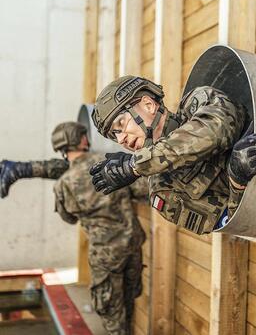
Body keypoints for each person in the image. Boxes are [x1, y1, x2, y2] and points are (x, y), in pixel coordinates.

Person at [0, 121, 147, 335]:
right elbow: (142, 191)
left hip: (105, 256)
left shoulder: (63, 184)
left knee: (112, 315)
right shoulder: (111, 164)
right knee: (128, 302)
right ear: (83, 140)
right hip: (132, 246)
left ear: (60, 147)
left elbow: (68, 218)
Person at [90, 75, 256, 234]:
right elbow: (231, 222)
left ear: (148, 105)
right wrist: (237, 180)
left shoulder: (197, 101)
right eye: (114, 135)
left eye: (121, 124)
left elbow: (215, 130)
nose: (121, 139)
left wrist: (135, 165)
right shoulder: (163, 191)